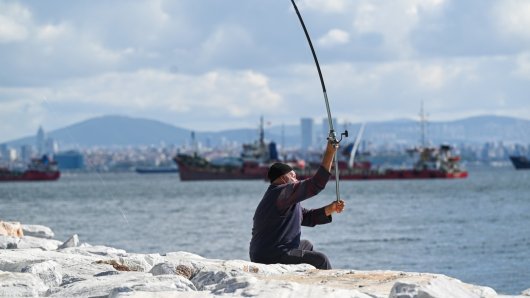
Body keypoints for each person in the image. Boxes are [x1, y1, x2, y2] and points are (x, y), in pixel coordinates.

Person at [249, 140, 345, 270]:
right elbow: (317, 183)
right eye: (293, 176)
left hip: (265, 251)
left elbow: (306, 217)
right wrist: (329, 152)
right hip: (271, 254)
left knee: (306, 245)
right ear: (283, 178)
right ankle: (331, 286)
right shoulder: (282, 192)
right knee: (321, 259)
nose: (296, 180)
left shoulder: (279, 196)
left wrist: (331, 208)